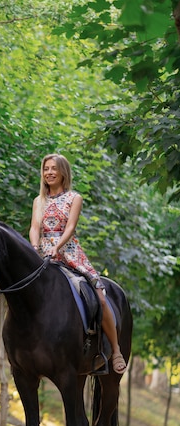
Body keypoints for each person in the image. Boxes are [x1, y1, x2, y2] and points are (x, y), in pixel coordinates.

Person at [29, 153, 127, 374]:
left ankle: (116, 349)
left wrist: (57, 247)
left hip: (69, 252)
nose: (49, 173)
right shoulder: (39, 201)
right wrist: (35, 247)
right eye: (46, 169)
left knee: (100, 297)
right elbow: (35, 227)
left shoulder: (75, 198)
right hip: (42, 252)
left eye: (54, 168)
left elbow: (71, 227)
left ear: (63, 172)